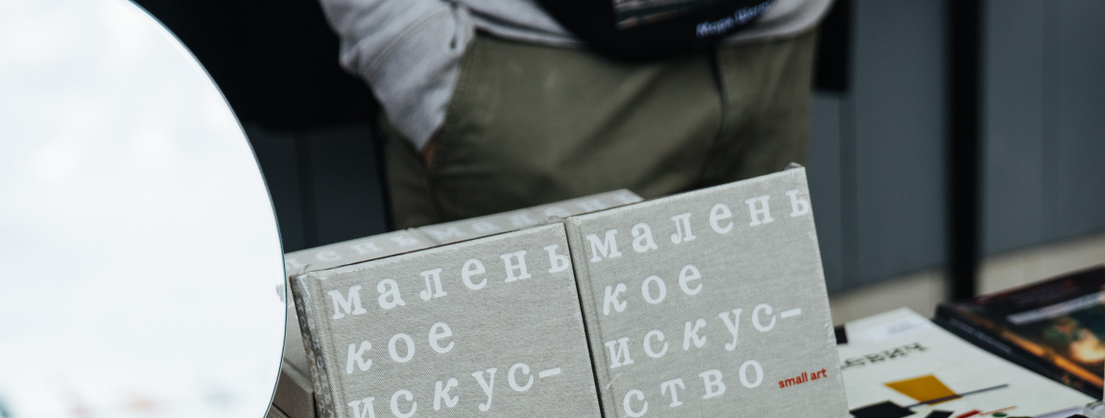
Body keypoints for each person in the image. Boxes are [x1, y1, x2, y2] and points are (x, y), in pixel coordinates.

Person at [318, 0, 835, 228]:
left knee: (756, 398)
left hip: (773, 49)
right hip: (535, 81)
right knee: (539, 410)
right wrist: (411, 54)